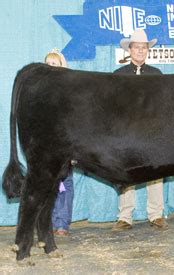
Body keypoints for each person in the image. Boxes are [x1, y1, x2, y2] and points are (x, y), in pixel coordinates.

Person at [112, 29, 168, 231]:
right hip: (127, 132)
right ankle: (125, 216)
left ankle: (156, 214)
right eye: (137, 47)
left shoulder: (157, 75)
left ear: (147, 50)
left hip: (151, 131)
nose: (140, 51)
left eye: (144, 47)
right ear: (130, 50)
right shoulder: (118, 76)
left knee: (156, 170)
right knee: (127, 171)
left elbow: (162, 105)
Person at [45, 49, 74, 236]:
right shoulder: (41, 91)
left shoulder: (68, 90)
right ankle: (52, 222)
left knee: (65, 183)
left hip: (64, 143)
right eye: (47, 64)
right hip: (47, 144)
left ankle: (62, 223)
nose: (50, 68)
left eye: (54, 64)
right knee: (49, 184)